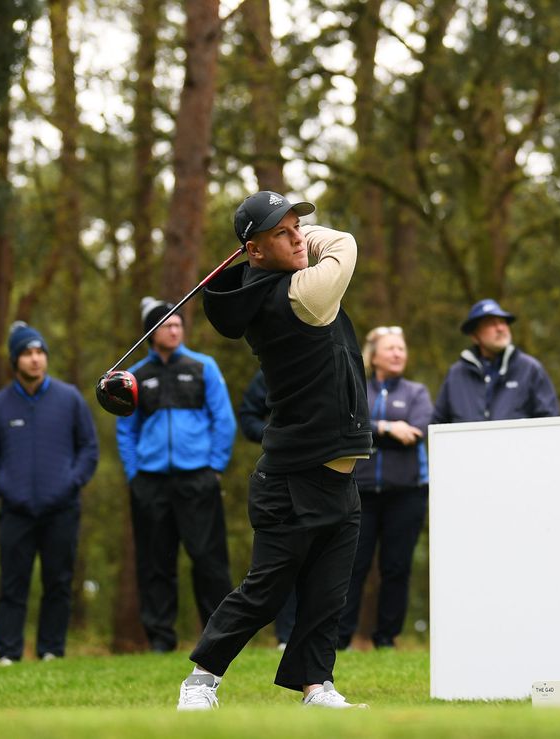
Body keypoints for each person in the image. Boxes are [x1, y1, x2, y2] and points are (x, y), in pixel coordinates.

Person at [176, 189, 371, 711]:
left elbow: (309, 247)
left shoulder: (282, 282)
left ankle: (317, 686)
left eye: (297, 227)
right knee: (265, 590)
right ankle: (200, 681)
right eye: (282, 233)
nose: (299, 238)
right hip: (293, 479)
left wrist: (282, 237)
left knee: (328, 593)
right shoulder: (301, 295)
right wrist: (307, 238)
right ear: (254, 252)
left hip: (335, 474)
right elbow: (346, 243)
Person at [115, 297, 237, 653]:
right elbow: (126, 430)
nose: (175, 328)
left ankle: (219, 640)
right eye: (167, 323)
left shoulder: (204, 366)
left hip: (198, 478)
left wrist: (215, 466)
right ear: (151, 332)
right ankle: (160, 640)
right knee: (155, 563)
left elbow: (223, 420)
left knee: (208, 559)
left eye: (178, 323)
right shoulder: (135, 375)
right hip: (150, 483)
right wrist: (134, 473)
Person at [0, 322, 99, 664]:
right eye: (27, 354)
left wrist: (69, 483)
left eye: (39, 352)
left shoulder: (70, 398)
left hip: (61, 508)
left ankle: (51, 651)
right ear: (15, 361)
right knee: (13, 584)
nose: (34, 360)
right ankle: (8, 653)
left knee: (58, 583)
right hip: (15, 510)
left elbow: (88, 448)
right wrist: (5, 488)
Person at [336, 325, 433, 650]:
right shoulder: (358, 388)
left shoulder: (416, 392)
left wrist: (372, 431)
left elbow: (418, 431)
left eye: (401, 348)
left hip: (407, 494)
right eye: (390, 348)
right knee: (352, 567)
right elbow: (349, 424)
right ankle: (341, 638)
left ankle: (386, 638)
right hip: (359, 492)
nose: (397, 353)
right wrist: (389, 427)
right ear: (373, 355)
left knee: (396, 567)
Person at [237, 368, 297, 649]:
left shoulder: (329, 362)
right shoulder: (269, 370)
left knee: (322, 559)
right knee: (282, 559)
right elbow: (248, 416)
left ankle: (317, 638)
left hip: (327, 474)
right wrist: (277, 436)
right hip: (281, 474)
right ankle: (285, 636)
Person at [432, 299, 560, 423]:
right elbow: (438, 425)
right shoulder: (456, 374)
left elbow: (550, 420)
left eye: (502, 322)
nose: (500, 328)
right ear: (475, 336)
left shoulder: (530, 369)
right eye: (490, 323)